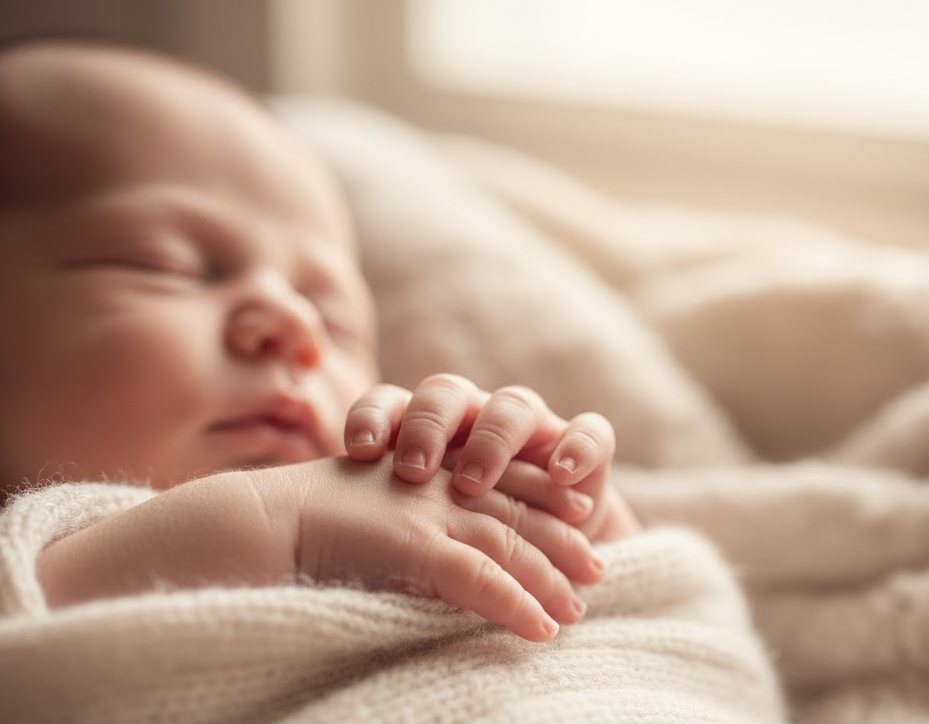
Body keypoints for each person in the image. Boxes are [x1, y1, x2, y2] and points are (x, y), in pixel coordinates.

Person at [0, 38, 638, 643]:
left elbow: (665, 640)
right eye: (163, 265)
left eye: (335, 320)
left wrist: (571, 523)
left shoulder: (415, 496)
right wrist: (268, 523)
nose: (295, 326)